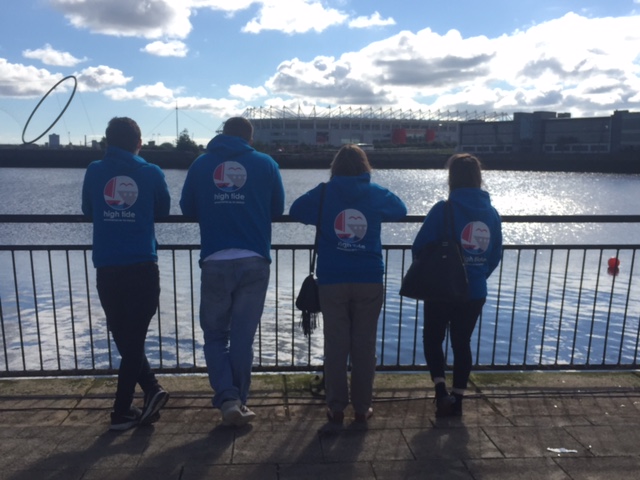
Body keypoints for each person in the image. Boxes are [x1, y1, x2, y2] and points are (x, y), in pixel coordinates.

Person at [289, 144, 407, 425]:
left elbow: (296, 210)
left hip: (332, 279)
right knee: (364, 345)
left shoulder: (324, 192)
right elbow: (400, 210)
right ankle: (362, 407)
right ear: (366, 167)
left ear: (335, 168)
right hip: (368, 277)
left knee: (336, 344)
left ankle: (336, 406)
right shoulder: (375, 193)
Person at [180, 117, 285, 427]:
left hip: (215, 260)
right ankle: (238, 400)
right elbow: (277, 209)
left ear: (221, 135)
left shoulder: (201, 165)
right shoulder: (266, 163)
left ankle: (228, 399)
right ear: (249, 139)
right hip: (255, 259)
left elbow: (188, 209)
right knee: (242, 338)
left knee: (214, 336)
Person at [81, 117, 171, 431]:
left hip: (107, 267)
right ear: (139, 142)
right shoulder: (150, 172)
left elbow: (88, 210)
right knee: (132, 340)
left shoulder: (94, 171)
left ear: (107, 142)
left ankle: (145, 395)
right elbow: (163, 210)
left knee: (125, 338)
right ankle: (130, 406)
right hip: (143, 267)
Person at [412, 153, 502, 417]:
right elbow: (495, 254)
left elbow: (419, 247)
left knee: (433, 338)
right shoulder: (492, 213)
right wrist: (477, 275)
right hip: (474, 291)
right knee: (462, 342)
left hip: (441, 288)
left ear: (452, 178)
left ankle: (440, 392)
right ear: (478, 177)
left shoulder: (444, 209)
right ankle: (459, 400)